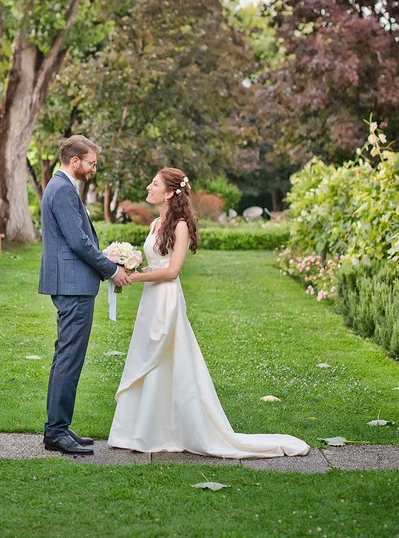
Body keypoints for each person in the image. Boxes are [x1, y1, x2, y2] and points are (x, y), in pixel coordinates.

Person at [108, 168, 309, 458]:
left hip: (166, 299)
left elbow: (173, 271)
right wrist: (129, 267)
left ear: (168, 193)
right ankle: (140, 429)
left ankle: (167, 431)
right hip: (150, 300)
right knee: (149, 356)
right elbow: (155, 265)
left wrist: (134, 278)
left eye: (154, 184)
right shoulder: (155, 223)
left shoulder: (179, 226)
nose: (148, 187)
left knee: (167, 356)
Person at [38, 135, 131, 455]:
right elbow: (78, 242)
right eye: (91, 162)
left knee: (68, 356)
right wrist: (111, 269)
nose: (93, 168)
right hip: (72, 285)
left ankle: (58, 427)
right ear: (74, 161)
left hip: (72, 283)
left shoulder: (62, 187)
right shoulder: (62, 189)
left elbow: (77, 240)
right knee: (68, 357)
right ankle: (56, 431)